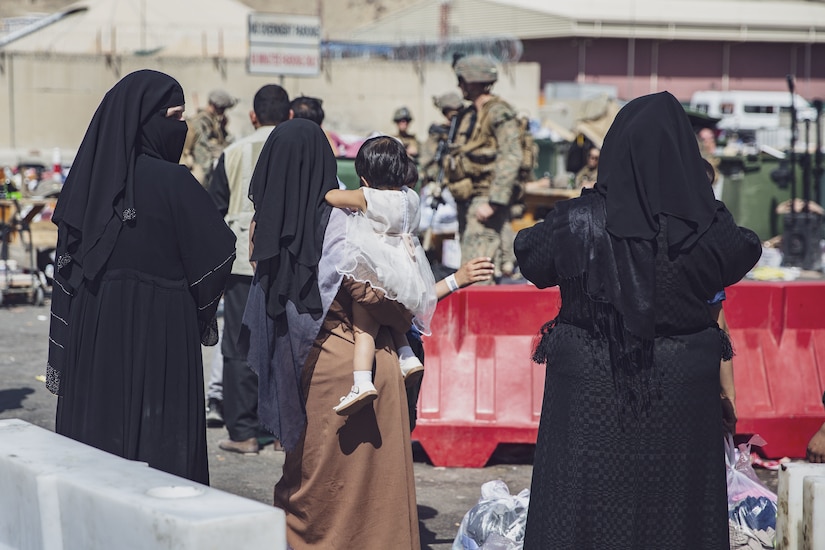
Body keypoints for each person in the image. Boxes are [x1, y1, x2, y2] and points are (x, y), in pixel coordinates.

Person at [514, 91, 761, 549]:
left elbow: (531, 255)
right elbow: (744, 250)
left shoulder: (578, 219)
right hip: (682, 395)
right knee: (675, 513)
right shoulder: (707, 223)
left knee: (581, 507)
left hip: (588, 392)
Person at [46, 70, 236, 484]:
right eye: (174, 116)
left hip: (92, 335)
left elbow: (67, 268)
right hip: (161, 335)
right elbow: (219, 255)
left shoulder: (85, 187)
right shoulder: (175, 183)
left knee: (96, 453)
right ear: (146, 120)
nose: (181, 129)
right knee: (158, 463)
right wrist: (194, 307)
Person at [241, 118, 420, 548]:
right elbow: (373, 293)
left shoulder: (265, 228)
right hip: (359, 368)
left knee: (311, 480)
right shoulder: (343, 223)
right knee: (371, 487)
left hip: (300, 364)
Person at [324, 136, 436, 415]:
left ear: (364, 177)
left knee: (365, 329)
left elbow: (331, 197)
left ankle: (361, 382)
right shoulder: (411, 198)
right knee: (395, 319)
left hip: (377, 270)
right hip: (408, 269)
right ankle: (407, 357)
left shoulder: (367, 196)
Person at [207, 84, 292, 454]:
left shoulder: (232, 153)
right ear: (289, 116)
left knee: (240, 345)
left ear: (253, 116)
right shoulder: (299, 149)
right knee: (286, 342)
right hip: (289, 261)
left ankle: (243, 433)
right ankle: (281, 433)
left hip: (242, 259)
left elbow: (212, 212)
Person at [442, 55, 522, 282]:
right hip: (469, 198)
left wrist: (494, 202)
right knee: (470, 266)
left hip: (485, 200)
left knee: (477, 271)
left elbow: (511, 155)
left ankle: (476, 318)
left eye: (462, 80)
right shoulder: (470, 114)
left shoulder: (498, 112)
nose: (459, 86)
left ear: (473, 80)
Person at [182, 88, 237, 189]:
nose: (224, 112)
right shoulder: (201, 122)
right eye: (222, 109)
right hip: (203, 173)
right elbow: (202, 152)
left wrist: (223, 128)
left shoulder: (213, 122)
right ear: (215, 106)